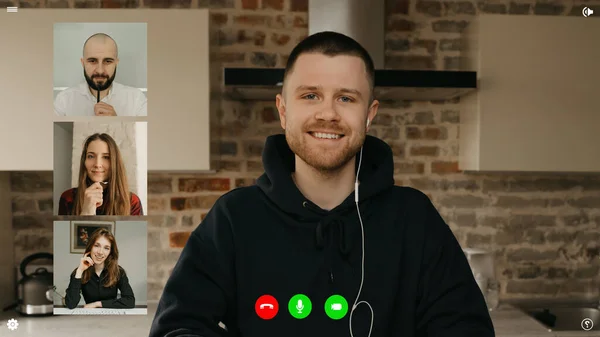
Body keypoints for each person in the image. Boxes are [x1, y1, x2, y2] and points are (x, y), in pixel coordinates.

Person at [149, 32, 495, 336]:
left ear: (369, 114)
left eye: (346, 98)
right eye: (310, 95)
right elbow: (178, 327)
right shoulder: (235, 217)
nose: (328, 113)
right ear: (283, 111)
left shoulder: (414, 219)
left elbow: (466, 328)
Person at [54, 33, 147, 116]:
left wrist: (116, 121)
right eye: (92, 61)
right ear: (83, 63)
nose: (100, 70)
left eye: (108, 61)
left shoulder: (137, 100)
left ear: (116, 63)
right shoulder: (63, 101)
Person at [58, 133, 144, 216]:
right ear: (84, 161)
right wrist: (86, 212)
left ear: (115, 163)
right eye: (91, 156)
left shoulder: (132, 201)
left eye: (106, 157)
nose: (97, 164)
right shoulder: (68, 198)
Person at [64, 228, 135, 309]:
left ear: (110, 252)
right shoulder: (79, 272)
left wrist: (98, 304)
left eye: (106, 248)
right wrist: (79, 271)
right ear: (90, 247)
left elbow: (130, 301)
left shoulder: (118, 272)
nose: (100, 252)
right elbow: (70, 304)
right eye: (97, 246)